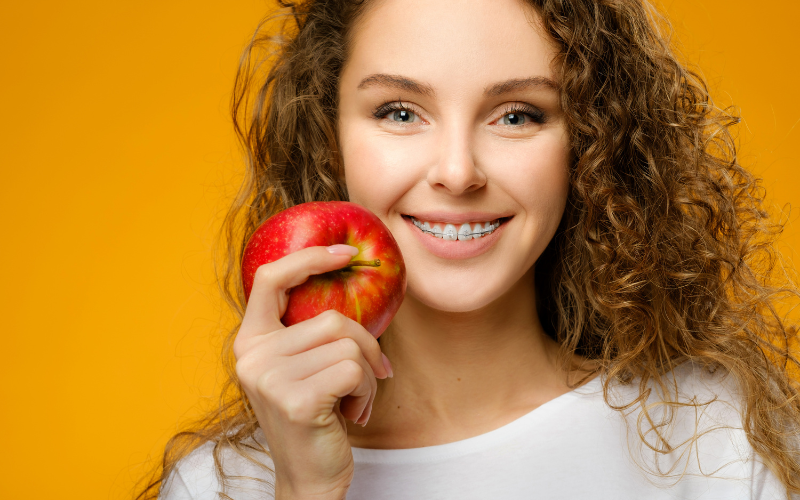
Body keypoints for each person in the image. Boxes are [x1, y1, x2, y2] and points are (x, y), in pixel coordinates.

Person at [135, 0, 800, 498]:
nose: (457, 172)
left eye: (517, 114)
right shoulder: (226, 487)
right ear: (328, 135)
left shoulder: (719, 440)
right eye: (400, 111)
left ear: (591, 144)